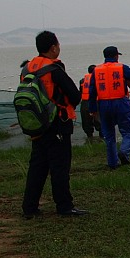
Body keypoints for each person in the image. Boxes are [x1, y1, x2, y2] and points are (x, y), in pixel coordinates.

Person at [21, 30, 86, 218]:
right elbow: (75, 96)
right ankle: (65, 206)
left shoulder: (27, 69)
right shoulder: (54, 70)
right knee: (59, 167)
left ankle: (29, 207)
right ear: (53, 47)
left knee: (37, 167)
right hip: (57, 123)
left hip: (35, 124)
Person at [89, 46, 130, 170]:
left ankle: (112, 163)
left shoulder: (96, 71)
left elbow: (92, 92)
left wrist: (92, 110)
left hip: (103, 104)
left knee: (109, 135)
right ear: (116, 56)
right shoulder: (121, 67)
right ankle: (124, 151)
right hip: (120, 102)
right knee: (129, 131)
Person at [79, 66, 98, 143]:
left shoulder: (82, 80)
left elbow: (80, 92)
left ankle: (89, 138)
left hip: (85, 102)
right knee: (99, 121)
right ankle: (101, 138)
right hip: (96, 102)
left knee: (86, 122)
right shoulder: (98, 79)